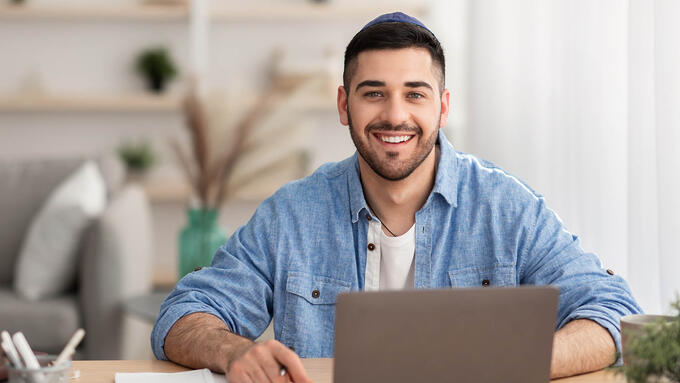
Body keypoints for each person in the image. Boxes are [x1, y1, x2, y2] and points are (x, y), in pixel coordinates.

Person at [151, 12, 642, 383]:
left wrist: (511, 363)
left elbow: (614, 312)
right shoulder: (292, 213)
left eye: (415, 93)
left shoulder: (506, 206)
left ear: (442, 106)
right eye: (373, 93)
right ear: (344, 105)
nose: (394, 115)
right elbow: (183, 314)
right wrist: (234, 352)